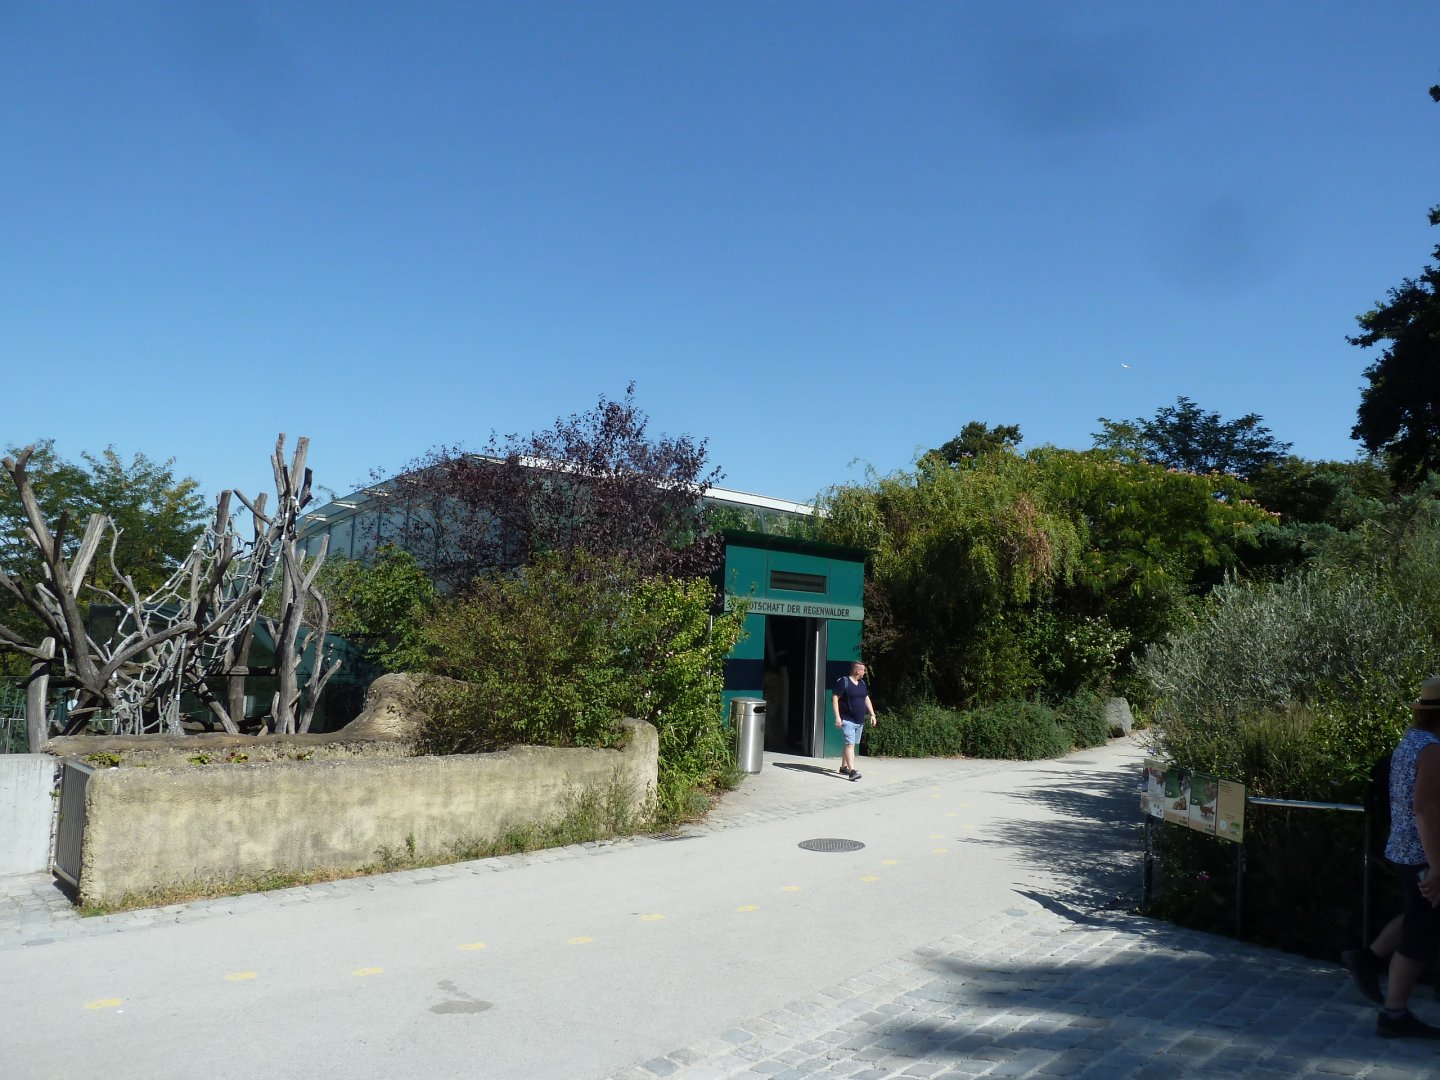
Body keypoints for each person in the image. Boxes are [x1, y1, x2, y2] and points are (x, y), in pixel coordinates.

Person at [1350, 676, 1440, 1038]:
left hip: (1402, 847)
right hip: (1422, 852)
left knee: (1419, 914)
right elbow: (1426, 810)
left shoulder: (1412, 741)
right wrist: (1437, 867)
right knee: (1422, 929)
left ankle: (1368, 958)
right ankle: (1394, 1013)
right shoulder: (1433, 749)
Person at [832, 661, 876, 782]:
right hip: (848, 720)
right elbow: (835, 698)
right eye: (863, 670)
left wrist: (872, 714)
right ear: (857, 671)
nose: (865, 672)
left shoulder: (862, 683)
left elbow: (866, 698)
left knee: (849, 744)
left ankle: (843, 767)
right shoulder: (844, 682)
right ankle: (852, 772)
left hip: (859, 721)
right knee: (850, 745)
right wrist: (837, 717)